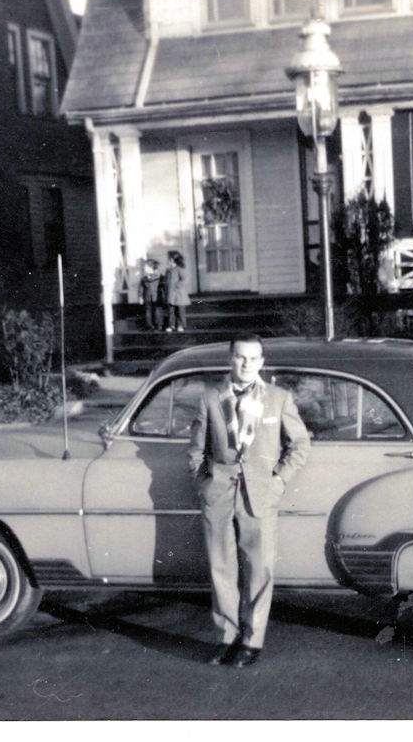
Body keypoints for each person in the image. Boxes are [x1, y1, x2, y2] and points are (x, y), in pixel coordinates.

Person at [188, 334, 310, 668]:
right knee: (220, 568)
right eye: (240, 358)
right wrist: (204, 482)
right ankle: (226, 637)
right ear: (230, 359)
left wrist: (279, 480)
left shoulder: (278, 399)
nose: (246, 364)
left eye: (253, 358)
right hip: (219, 494)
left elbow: (300, 445)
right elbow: (196, 449)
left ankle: (252, 641)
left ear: (262, 362)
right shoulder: (211, 398)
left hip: (260, 496)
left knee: (259, 568)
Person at [164, 250, 190, 332]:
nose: (167, 261)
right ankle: (171, 325)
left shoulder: (179, 269)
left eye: (168, 259)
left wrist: (177, 285)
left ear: (172, 260)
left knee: (180, 310)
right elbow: (166, 280)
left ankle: (181, 325)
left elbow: (185, 279)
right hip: (170, 294)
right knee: (171, 310)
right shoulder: (168, 270)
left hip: (179, 294)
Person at [138, 259, 163, 330]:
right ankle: (150, 325)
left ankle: (159, 325)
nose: (144, 268)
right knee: (148, 310)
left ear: (151, 267)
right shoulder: (144, 278)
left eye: (145, 267)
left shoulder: (159, 277)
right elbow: (141, 288)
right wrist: (140, 297)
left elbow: (163, 286)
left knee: (158, 310)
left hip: (157, 296)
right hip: (147, 296)